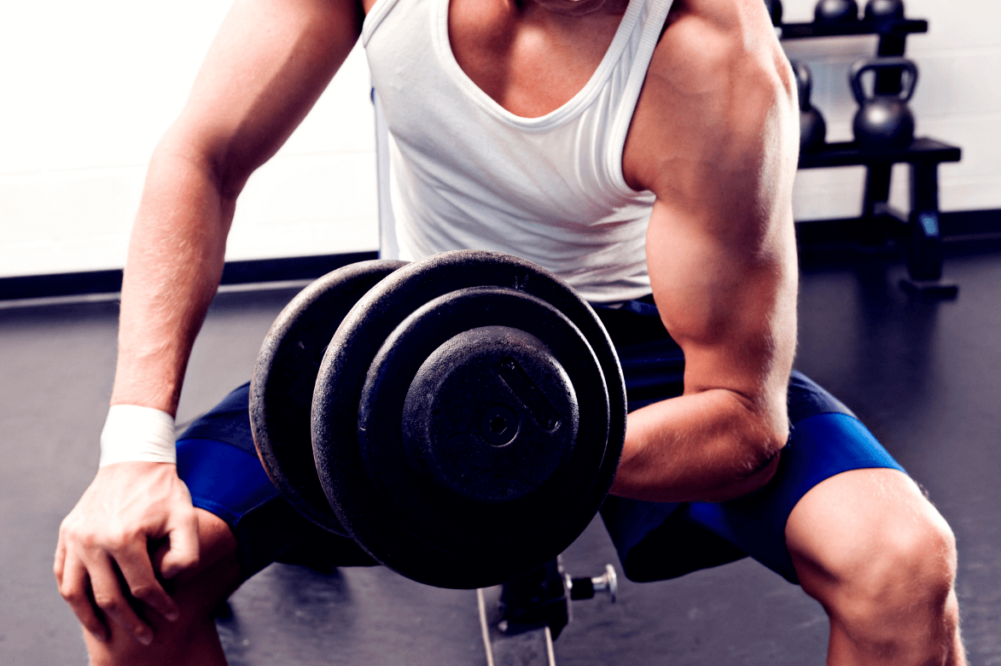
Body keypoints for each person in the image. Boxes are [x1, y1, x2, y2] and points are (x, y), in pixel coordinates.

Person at [54, 0, 965, 663]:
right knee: (137, 582)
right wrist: (135, 447)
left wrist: (521, 457)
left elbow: (742, 418)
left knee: (900, 562)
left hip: (633, 348)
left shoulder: (711, 58)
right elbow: (202, 156)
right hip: (408, 336)